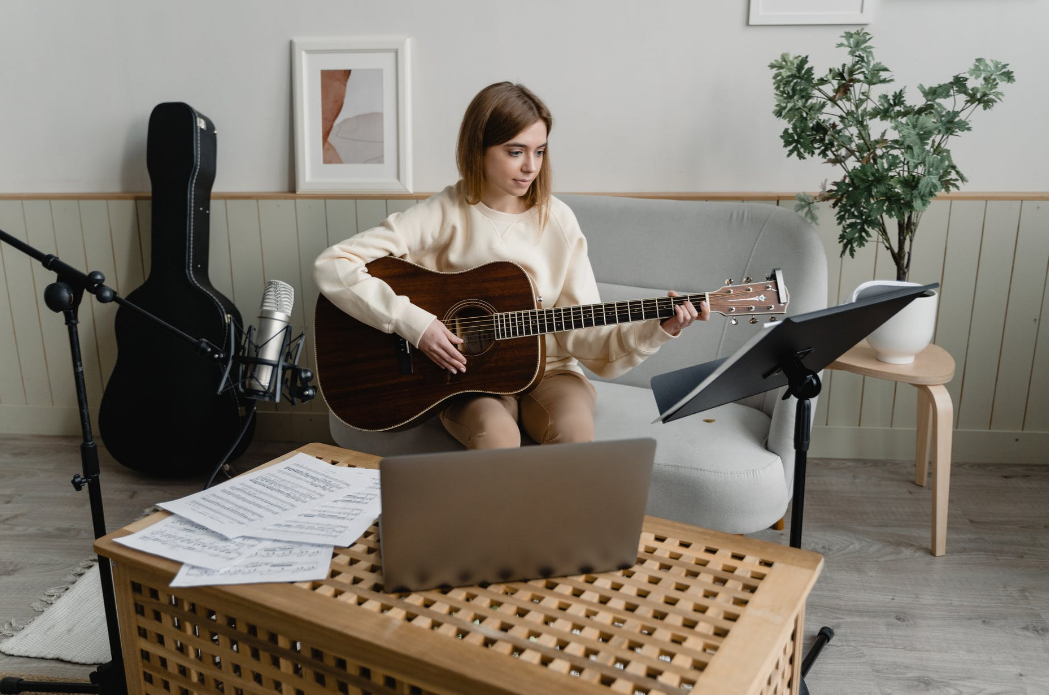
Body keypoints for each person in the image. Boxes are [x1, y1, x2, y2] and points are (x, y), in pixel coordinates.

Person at [313, 81, 708, 449]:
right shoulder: (443, 212)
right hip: (467, 377)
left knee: (575, 438)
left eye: (539, 151)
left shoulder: (559, 220)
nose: (530, 167)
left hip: (552, 370)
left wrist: (659, 329)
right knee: (496, 438)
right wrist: (416, 324)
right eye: (515, 151)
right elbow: (334, 263)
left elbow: (585, 333)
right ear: (478, 149)